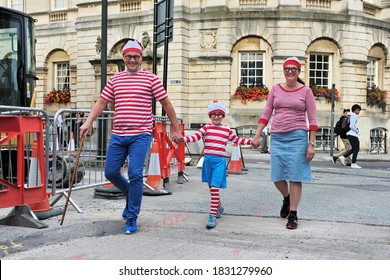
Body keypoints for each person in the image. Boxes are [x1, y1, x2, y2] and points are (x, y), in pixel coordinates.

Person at [80, 39, 181, 234]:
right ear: (123, 57)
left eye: (136, 56)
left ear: (141, 58)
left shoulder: (151, 79)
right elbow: (101, 102)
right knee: (110, 173)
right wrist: (88, 121)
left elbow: (166, 104)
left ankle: (132, 216)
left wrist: (175, 129)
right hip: (118, 135)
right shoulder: (116, 79)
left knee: (135, 174)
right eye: (128, 56)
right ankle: (130, 193)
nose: (132, 60)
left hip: (140, 135)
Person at [252, 57, 317, 230]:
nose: (290, 71)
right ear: (283, 70)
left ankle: (293, 214)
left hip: (298, 137)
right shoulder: (275, 89)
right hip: (278, 137)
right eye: (287, 68)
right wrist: (257, 135)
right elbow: (266, 113)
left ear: (298, 71)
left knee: (296, 176)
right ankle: (287, 198)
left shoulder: (306, 91)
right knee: (277, 176)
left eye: (293, 69)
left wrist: (311, 144)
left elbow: (312, 119)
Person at [180, 100, 253, 229]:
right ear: (210, 116)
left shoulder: (226, 130)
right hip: (207, 160)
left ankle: (212, 215)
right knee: (211, 187)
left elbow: (237, 140)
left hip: (219, 162)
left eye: (219, 114)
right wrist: (183, 139)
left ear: (223, 116)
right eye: (213, 114)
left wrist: (251, 141)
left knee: (214, 188)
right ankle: (218, 207)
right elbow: (195, 137)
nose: (216, 116)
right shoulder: (206, 128)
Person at [338, 104, 362, 169]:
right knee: (356, 149)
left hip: (349, 134)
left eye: (359, 110)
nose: (358, 112)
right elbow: (352, 126)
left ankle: (342, 157)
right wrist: (357, 130)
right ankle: (353, 163)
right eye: (357, 110)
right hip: (353, 134)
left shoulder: (350, 115)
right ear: (354, 110)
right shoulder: (354, 116)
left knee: (353, 149)